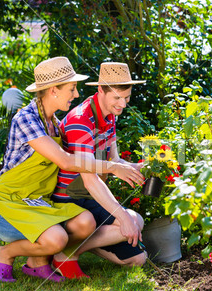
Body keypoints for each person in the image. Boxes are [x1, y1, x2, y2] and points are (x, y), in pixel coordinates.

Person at [0, 57, 144, 282]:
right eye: (71, 88)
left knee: (84, 222)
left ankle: (37, 262)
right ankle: (3, 254)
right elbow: (66, 161)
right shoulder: (26, 119)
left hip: (38, 204)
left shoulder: (55, 125)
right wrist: (112, 167)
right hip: (7, 206)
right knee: (57, 239)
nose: (76, 94)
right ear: (53, 91)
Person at [51, 62, 147, 278]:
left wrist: (141, 168)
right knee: (128, 221)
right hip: (70, 198)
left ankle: (73, 248)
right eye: (117, 98)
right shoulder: (80, 121)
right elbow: (90, 179)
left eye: (127, 97)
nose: (123, 104)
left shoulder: (110, 115)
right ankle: (65, 253)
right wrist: (122, 217)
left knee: (137, 257)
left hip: (90, 196)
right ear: (100, 90)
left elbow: (114, 159)